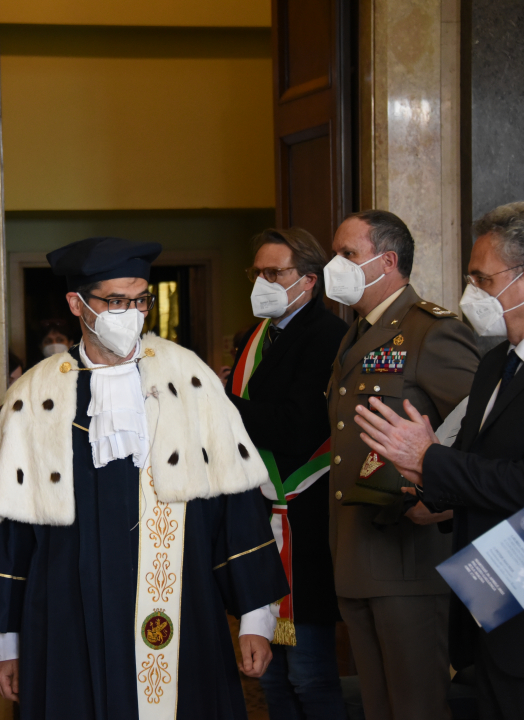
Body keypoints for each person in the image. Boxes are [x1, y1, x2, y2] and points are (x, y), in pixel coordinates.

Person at [0, 236, 290, 720]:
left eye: (140, 299)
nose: (132, 312)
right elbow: (10, 534)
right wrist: (6, 644)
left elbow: (237, 506)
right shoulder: (34, 394)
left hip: (183, 611)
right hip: (64, 616)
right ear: (77, 304)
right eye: (116, 301)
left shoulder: (189, 378)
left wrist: (256, 619)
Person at [354, 202, 524, 720]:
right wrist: (428, 482)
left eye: (481, 277)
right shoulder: (499, 359)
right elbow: (478, 466)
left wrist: (430, 460)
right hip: (495, 606)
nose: (470, 290)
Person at [325, 210, 480, 720]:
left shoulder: (430, 331)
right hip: (357, 553)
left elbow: (483, 429)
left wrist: (436, 499)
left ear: (386, 261)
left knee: (416, 709)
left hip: (409, 559)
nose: (335, 264)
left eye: (347, 254)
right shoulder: (355, 334)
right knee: (379, 709)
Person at [225, 228, 348, 719]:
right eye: (257, 272)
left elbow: (298, 427)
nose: (262, 281)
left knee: (310, 676)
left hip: (306, 517)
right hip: (262, 510)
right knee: (272, 678)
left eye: (274, 273)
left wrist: (223, 407)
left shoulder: (328, 337)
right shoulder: (256, 336)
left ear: (309, 281)